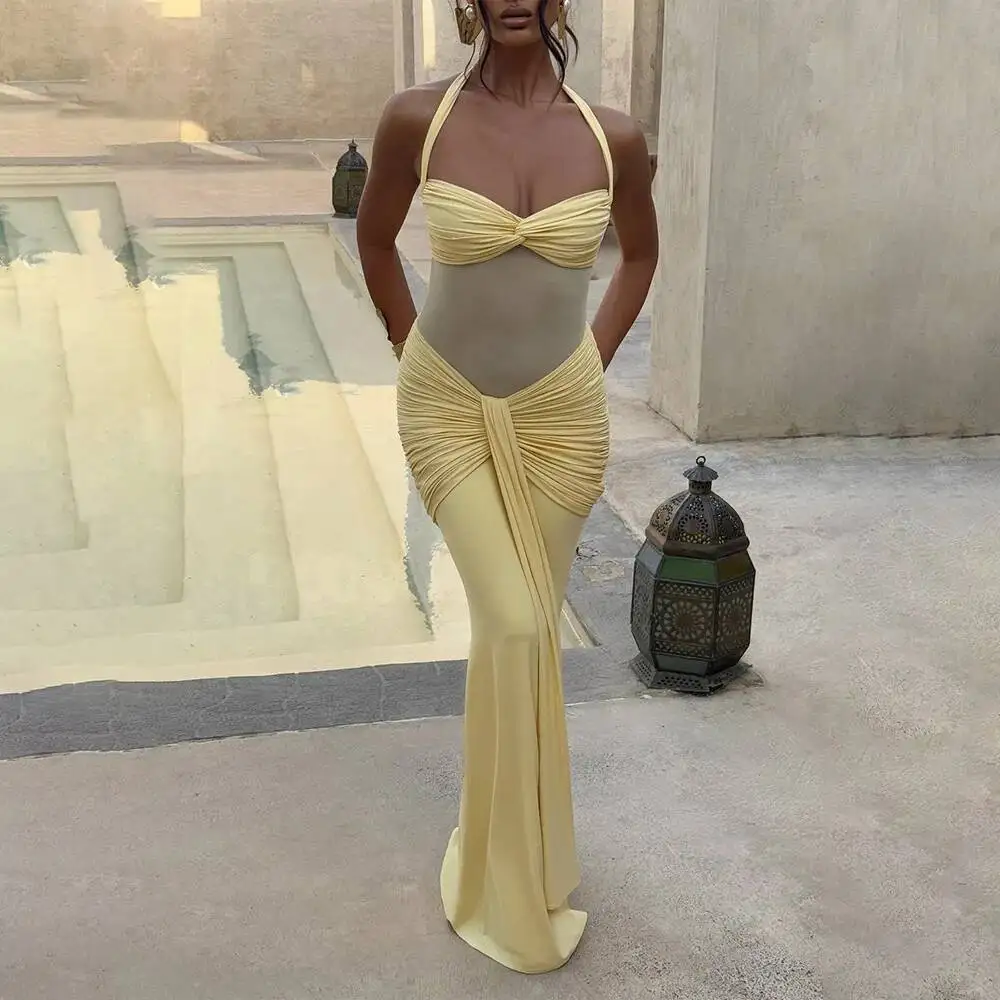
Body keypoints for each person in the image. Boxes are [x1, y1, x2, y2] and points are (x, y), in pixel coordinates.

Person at [355, 0, 658, 975]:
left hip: (561, 423)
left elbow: (641, 254)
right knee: (521, 624)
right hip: (448, 411)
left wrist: (592, 359)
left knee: (513, 636)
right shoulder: (417, 118)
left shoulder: (613, 138)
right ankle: (511, 885)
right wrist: (411, 351)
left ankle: (512, 859)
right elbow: (374, 241)